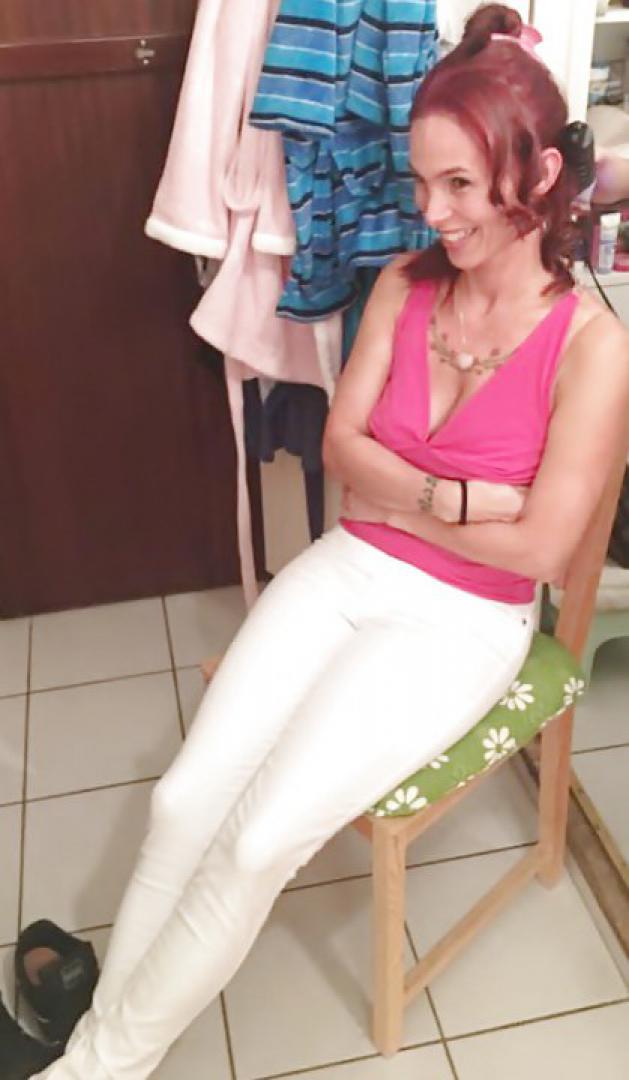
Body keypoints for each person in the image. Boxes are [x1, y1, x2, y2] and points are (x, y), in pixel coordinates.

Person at [28, 4, 629, 1078]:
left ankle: (95, 1065)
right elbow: (345, 455)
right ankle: (99, 1047)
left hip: (463, 622)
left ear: (539, 175)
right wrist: (464, 501)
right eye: (421, 181)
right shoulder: (402, 285)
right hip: (352, 568)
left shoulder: (590, 346)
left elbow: (541, 553)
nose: (430, 212)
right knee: (182, 801)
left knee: (258, 840)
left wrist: (416, 507)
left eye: (458, 185)